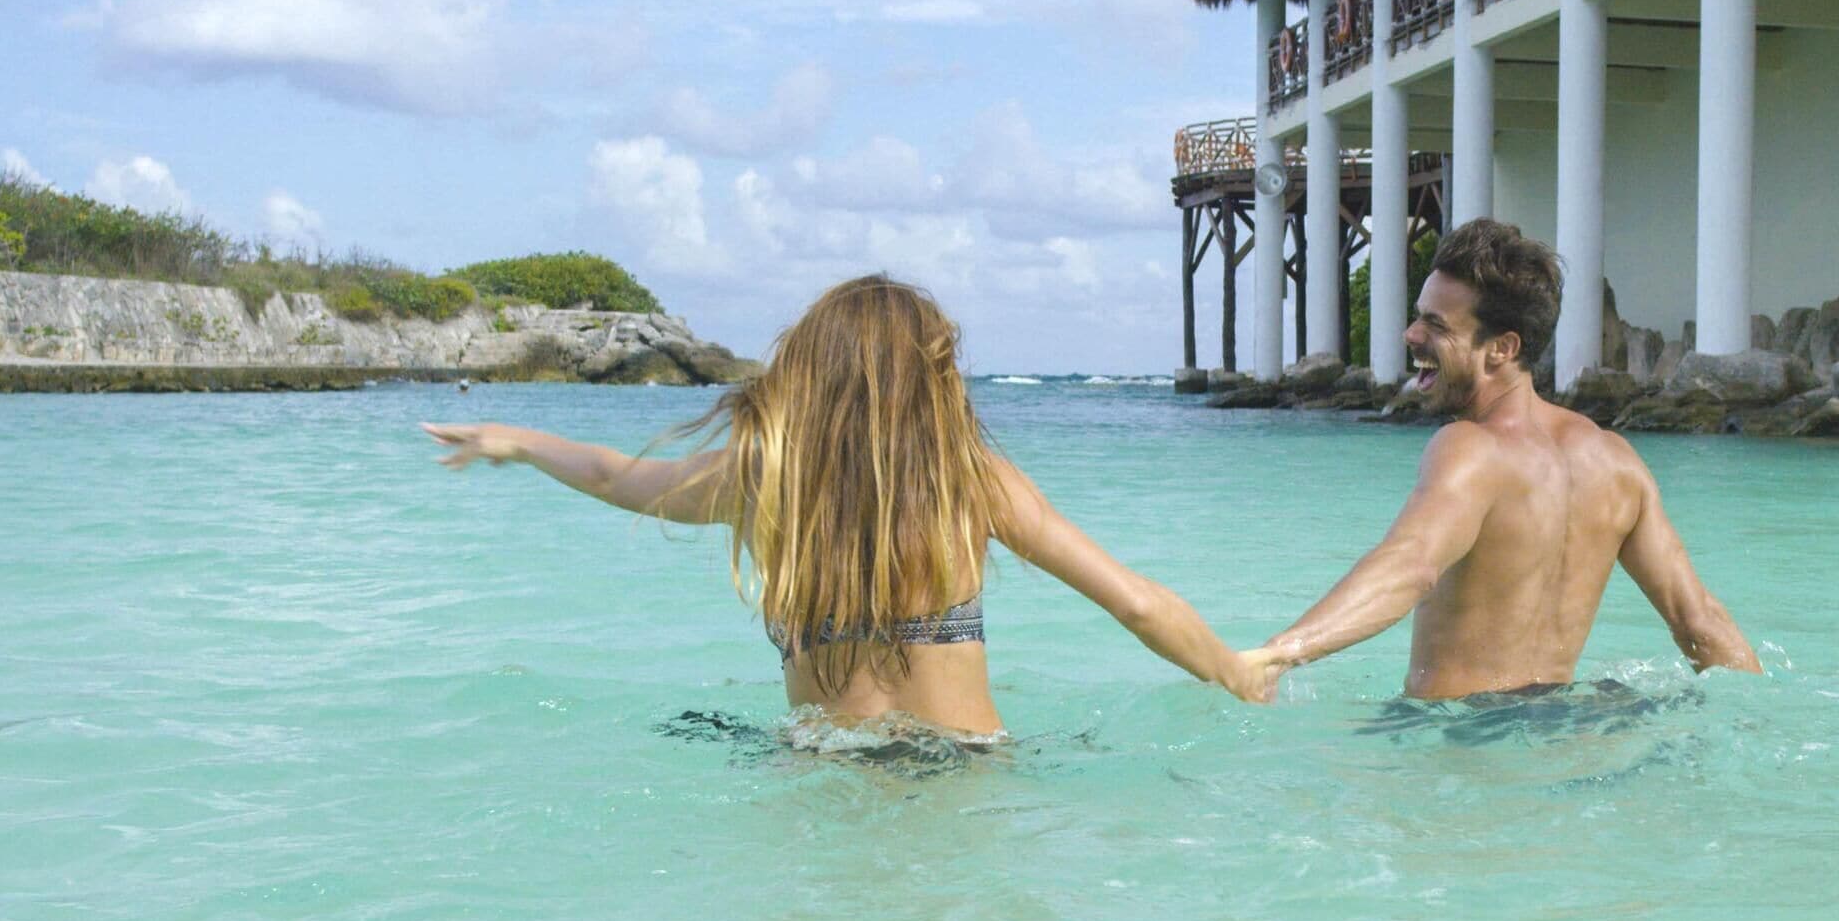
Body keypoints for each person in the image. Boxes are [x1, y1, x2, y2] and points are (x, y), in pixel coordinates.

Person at [423, 275, 1273, 739]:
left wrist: (520, 440)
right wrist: (1236, 673)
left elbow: (616, 477)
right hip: (963, 775)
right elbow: (1133, 600)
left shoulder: (767, 477)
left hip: (822, 772)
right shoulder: (969, 483)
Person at [1243, 219, 1760, 700]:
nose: (1411, 335)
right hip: (1559, 730)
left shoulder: (1469, 446)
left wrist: (1278, 655)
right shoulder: (1617, 461)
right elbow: (1700, 623)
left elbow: (1412, 564)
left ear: (1502, 349)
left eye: (1435, 325)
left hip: (1461, 743)